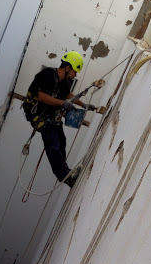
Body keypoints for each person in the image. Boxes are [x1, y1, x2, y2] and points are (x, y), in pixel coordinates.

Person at [23, 51, 98, 187]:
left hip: (49, 114)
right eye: (75, 71)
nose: (75, 75)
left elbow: (68, 94)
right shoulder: (47, 75)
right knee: (53, 143)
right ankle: (65, 176)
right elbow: (41, 96)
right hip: (37, 115)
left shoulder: (63, 81)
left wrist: (84, 105)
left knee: (61, 141)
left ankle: (67, 172)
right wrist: (62, 103)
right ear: (68, 67)